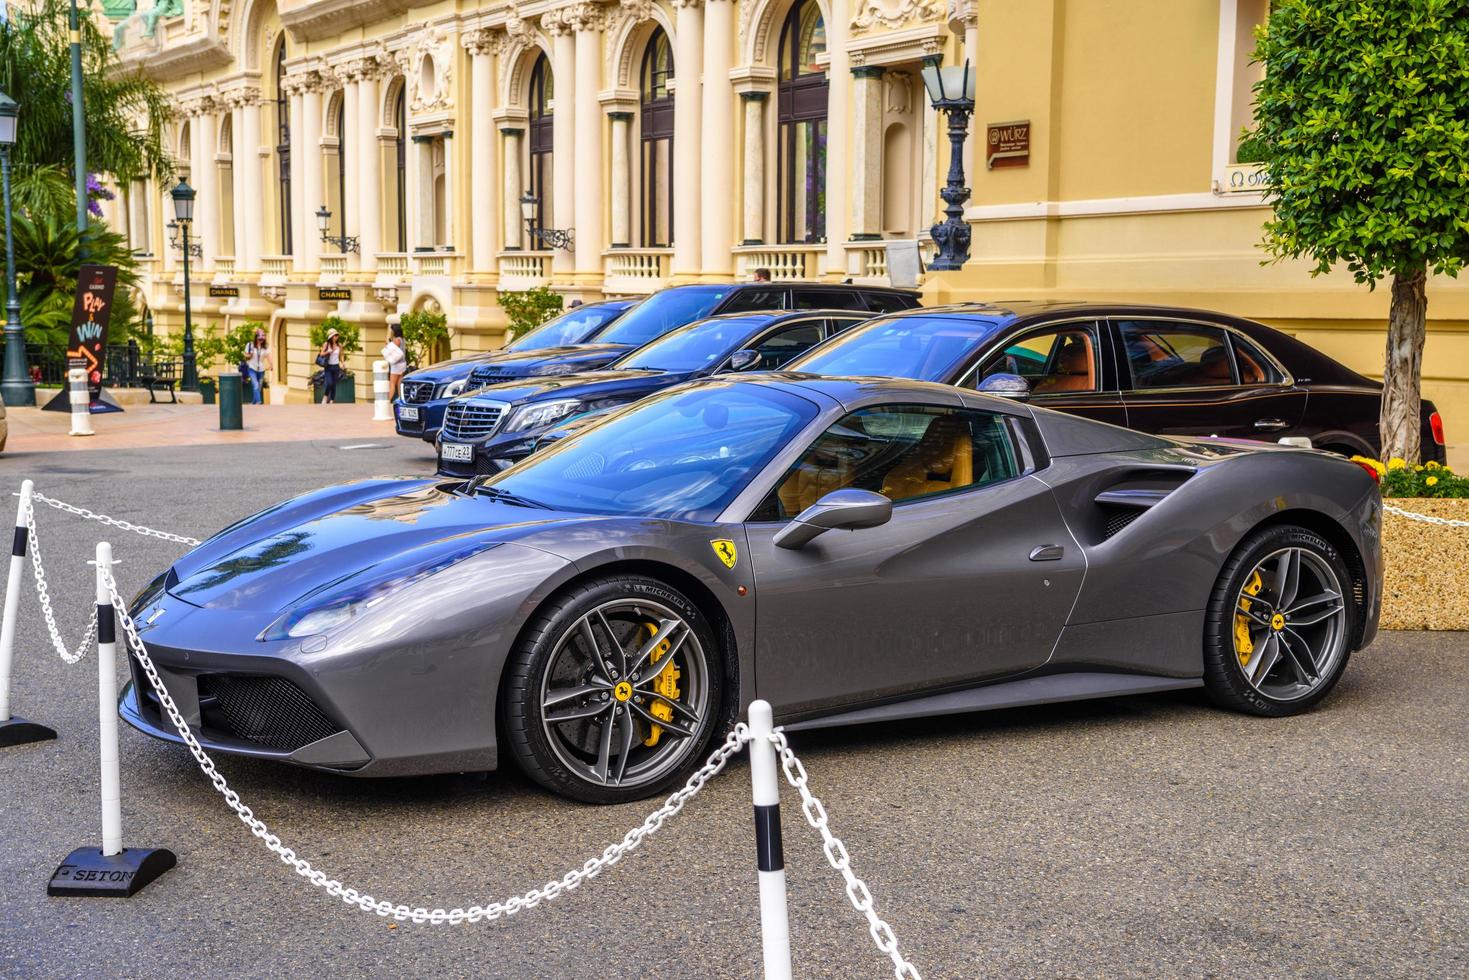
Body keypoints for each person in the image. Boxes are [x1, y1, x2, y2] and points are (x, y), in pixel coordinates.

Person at [243, 329, 272, 405]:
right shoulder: (250, 345)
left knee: (258, 388)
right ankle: (259, 402)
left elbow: (268, 356)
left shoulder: (265, 347)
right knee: (255, 385)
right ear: (256, 337)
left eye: (263, 337)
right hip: (252, 368)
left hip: (261, 370)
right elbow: (245, 355)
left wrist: (271, 365)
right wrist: (249, 355)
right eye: (259, 338)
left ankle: (253, 402)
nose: (261, 339)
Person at [382, 322, 407, 400]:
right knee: (399, 383)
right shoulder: (402, 339)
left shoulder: (397, 340)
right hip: (403, 363)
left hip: (396, 364)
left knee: (392, 384)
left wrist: (387, 346)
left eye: (392, 330)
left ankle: (387, 401)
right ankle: (401, 399)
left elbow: (392, 350)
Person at [319, 327, 343, 404]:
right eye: (334, 335)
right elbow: (321, 354)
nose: (336, 337)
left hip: (336, 367)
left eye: (337, 335)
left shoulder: (339, 345)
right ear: (331, 337)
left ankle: (332, 400)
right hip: (328, 367)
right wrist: (328, 352)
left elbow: (341, 355)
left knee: (334, 384)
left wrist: (342, 362)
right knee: (329, 383)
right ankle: (325, 396)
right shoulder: (326, 344)